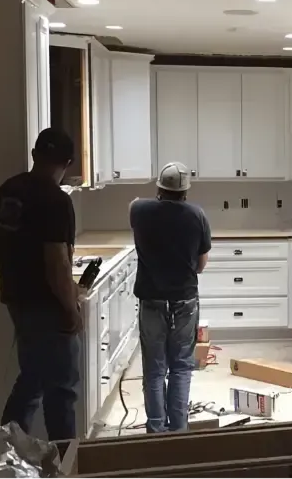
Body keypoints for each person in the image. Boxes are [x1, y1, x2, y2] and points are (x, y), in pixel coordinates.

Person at [0, 127, 81, 441]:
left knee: (32, 379)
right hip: (47, 304)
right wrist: (71, 309)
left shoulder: (7, 192)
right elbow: (56, 261)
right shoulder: (55, 200)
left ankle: (7, 450)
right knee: (62, 388)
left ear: (34, 154)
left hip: (17, 299)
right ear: (67, 163)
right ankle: (65, 462)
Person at [129, 162, 211, 433]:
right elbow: (201, 265)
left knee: (154, 370)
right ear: (186, 191)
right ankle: (178, 431)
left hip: (152, 300)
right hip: (184, 300)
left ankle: (156, 431)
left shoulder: (138, 210)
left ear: (159, 187)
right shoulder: (197, 215)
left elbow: (136, 203)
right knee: (181, 368)